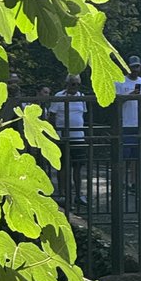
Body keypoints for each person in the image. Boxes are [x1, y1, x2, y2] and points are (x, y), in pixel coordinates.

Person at [114, 55, 141, 191]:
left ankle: (134, 183)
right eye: (133, 67)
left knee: (138, 158)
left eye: (137, 66)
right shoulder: (120, 82)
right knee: (124, 157)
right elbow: (115, 102)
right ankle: (122, 182)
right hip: (126, 125)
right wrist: (130, 95)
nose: (135, 69)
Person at [48, 74, 88, 205]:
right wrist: (54, 134)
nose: (75, 87)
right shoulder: (59, 97)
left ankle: (78, 194)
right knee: (63, 167)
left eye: (77, 84)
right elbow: (52, 115)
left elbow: (84, 115)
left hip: (79, 137)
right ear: (67, 84)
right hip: (63, 137)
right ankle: (63, 194)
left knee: (78, 167)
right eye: (72, 84)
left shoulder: (81, 97)